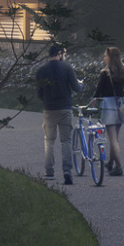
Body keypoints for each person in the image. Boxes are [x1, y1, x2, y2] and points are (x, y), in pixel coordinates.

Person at [34, 44, 82, 186]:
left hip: (49, 109)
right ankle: (67, 171)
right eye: (64, 54)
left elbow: (38, 93)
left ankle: (49, 171)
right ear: (60, 53)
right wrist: (81, 85)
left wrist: (46, 101)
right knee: (66, 141)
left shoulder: (41, 70)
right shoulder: (67, 68)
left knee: (49, 141)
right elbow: (76, 88)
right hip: (65, 108)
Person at [91, 46, 124, 176]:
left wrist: (92, 105)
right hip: (120, 107)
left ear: (110, 58)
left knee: (113, 140)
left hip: (108, 108)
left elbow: (97, 93)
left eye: (105, 55)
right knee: (115, 138)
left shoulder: (105, 73)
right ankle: (110, 163)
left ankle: (119, 167)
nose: (104, 57)